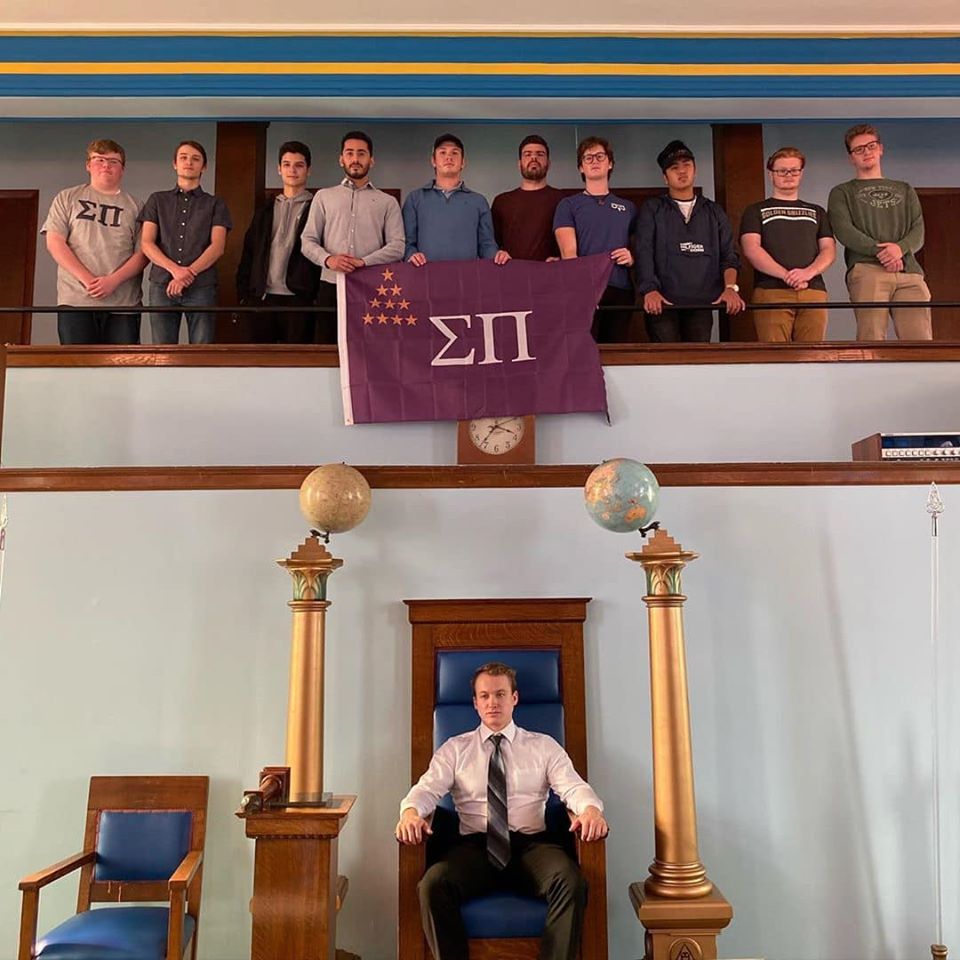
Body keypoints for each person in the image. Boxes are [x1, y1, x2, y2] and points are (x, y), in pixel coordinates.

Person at [396, 661, 607, 960]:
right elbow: (426, 789)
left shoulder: (543, 746)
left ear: (514, 698)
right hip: (474, 849)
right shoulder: (455, 749)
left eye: (499, 694)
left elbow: (573, 788)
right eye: (484, 696)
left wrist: (589, 811)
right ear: (475, 703)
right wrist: (410, 813)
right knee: (432, 885)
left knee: (570, 882)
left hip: (530, 848)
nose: (492, 702)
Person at [827, 124, 932, 340]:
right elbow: (844, 231)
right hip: (867, 270)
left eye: (871, 146)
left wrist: (899, 249)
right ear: (851, 158)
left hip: (909, 270)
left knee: (920, 342)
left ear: (881, 149)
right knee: (871, 339)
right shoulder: (842, 192)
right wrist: (883, 252)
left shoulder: (905, 188)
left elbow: (918, 231)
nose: (866, 152)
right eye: (859, 149)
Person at [300, 130, 405, 343]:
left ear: (371, 160)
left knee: (371, 349)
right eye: (349, 153)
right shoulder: (324, 196)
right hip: (330, 286)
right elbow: (307, 240)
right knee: (325, 348)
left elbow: (398, 246)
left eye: (361, 153)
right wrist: (329, 260)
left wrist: (364, 262)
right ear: (341, 159)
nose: (355, 159)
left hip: (372, 289)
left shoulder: (387, 202)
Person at [41, 138, 147, 345]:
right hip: (75, 301)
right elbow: (55, 241)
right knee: (78, 368)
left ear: (122, 169)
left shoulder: (137, 206)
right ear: (88, 165)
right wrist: (87, 279)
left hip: (123, 304)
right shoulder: (67, 198)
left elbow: (143, 254)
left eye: (113, 161)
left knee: (122, 370)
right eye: (99, 160)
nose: (106, 165)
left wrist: (113, 281)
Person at [636, 140, 743, 343]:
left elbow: (730, 255)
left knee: (698, 364)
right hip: (662, 303)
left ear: (695, 170)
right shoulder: (653, 209)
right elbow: (643, 251)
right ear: (665, 177)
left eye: (687, 165)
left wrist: (730, 288)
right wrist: (649, 290)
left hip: (703, 303)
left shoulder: (714, 211)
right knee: (665, 366)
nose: (682, 171)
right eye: (674, 167)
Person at [139, 140, 232, 344]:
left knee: (202, 352)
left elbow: (217, 247)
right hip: (162, 283)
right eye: (183, 157)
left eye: (195, 159)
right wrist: (175, 270)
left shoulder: (215, 203)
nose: (189, 162)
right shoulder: (157, 200)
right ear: (175, 163)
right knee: (162, 352)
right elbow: (146, 243)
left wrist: (188, 273)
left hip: (202, 285)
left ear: (204, 166)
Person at [740, 147, 836, 342]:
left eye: (794, 170)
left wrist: (807, 273)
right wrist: (786, 275)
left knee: (812, 357)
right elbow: (751, 249)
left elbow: (828, 249)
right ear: (771, 174)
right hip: (771, 291)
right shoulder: (755, 210)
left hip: (813, 290)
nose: (788, 175)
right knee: (776, 359)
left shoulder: (817, 211)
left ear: (801, 173)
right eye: (782, 171)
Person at [552, 136, 636, 342]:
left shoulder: (628, 208)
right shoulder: (568, 205)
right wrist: (580, 291)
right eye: (588, 158)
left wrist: (632, 257)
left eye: (600, 156)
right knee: (583, 352)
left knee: (618, 354)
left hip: (620, 289)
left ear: (610, 163)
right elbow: (568, 254)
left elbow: (640, 248)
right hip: (585, 291)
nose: (594, 161)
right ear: (581, 168)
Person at [236, 140, 320, 344]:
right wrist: (244, 296)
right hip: (262, 298)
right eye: (287, 164)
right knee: (259, 365)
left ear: (308, 170)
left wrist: (314, 296)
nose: (292, 170)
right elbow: (249, 253)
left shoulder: (318, 207)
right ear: (279, 169)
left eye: (299, 165)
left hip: (299, 300)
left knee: (298, 366)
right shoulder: (264, 210)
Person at [402, 133, 510, 266]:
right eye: (442, 152)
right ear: (433, 161)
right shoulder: (415, 199)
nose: (449, 157)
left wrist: (497, 255)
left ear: (463, 162)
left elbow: (486, 244)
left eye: (455, 153)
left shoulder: (478, 201)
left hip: (466, 280)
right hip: (424, 278)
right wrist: (411, 255)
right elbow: (407, 243)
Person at [491, 134, 563, 260]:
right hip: (511, 274)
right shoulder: (501, 202)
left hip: (550, 274)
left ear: (549, 163)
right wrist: (499, 253)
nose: (534, 158)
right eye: (527, 154)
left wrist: (561, 258)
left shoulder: (562, 200)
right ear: (519, 164)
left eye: (540, 154)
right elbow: (491, 243)